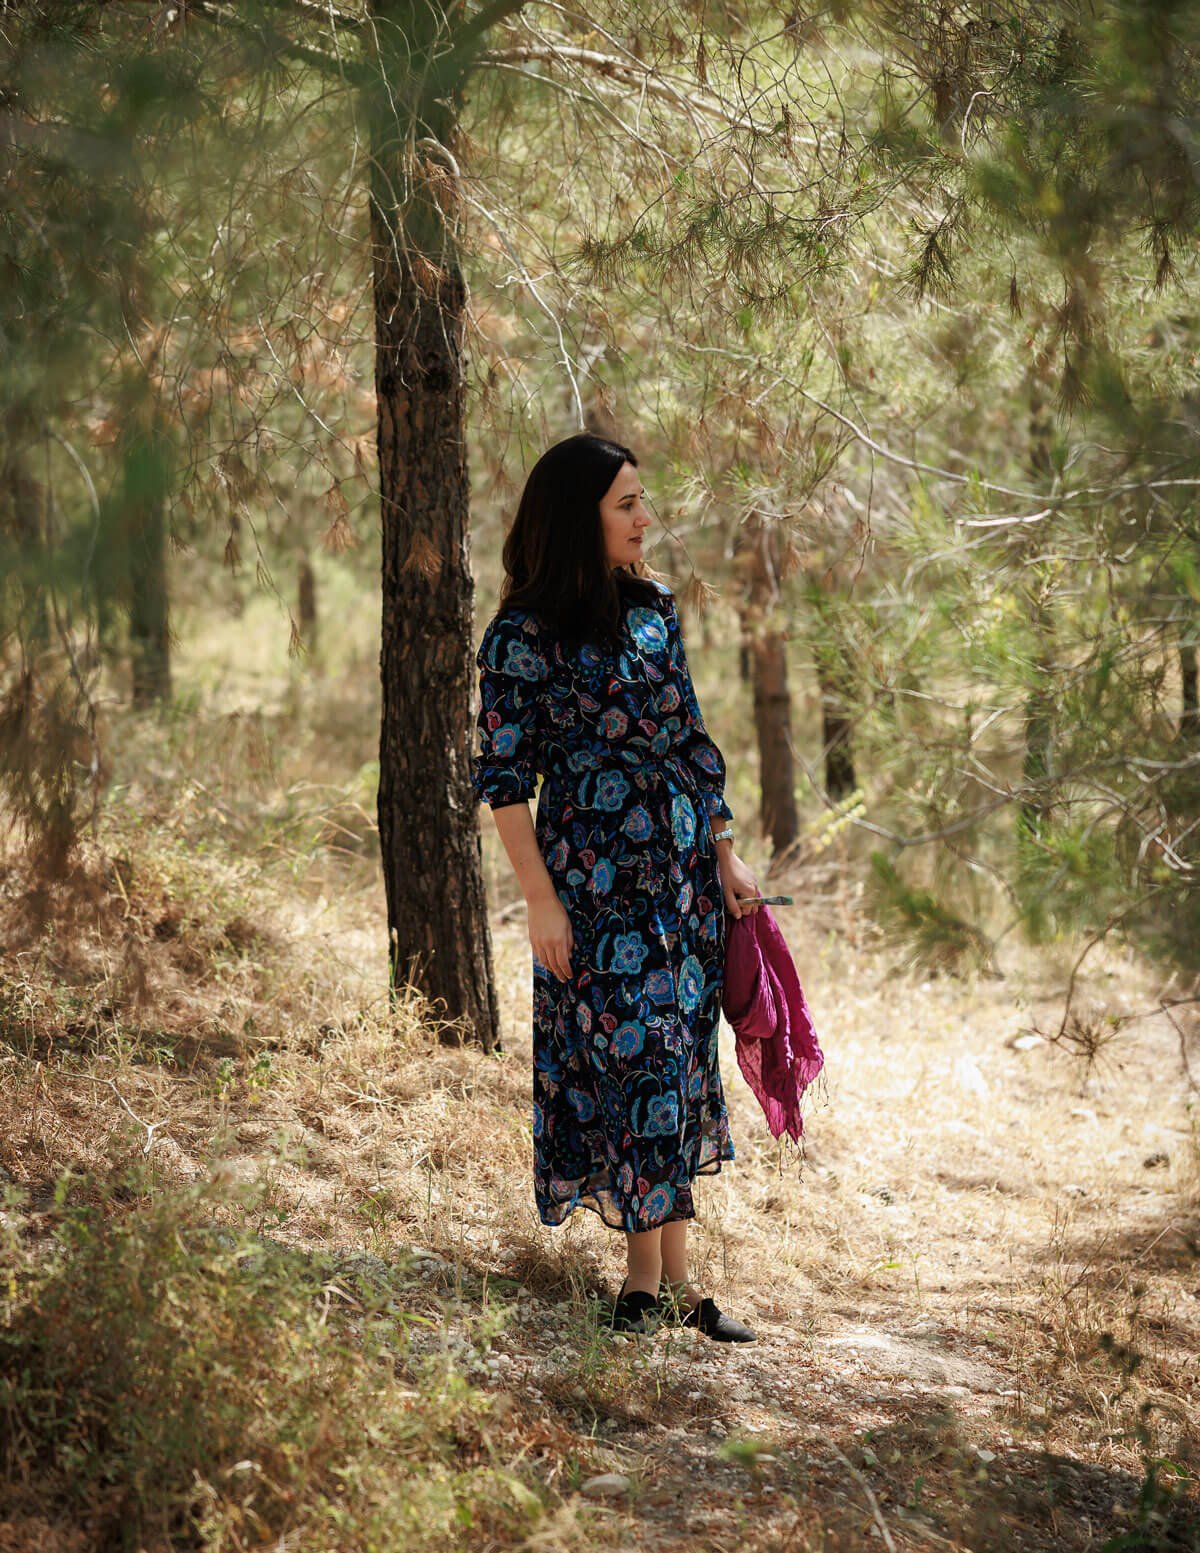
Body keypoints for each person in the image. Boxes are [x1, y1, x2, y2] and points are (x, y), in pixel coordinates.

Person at [470, 432, 761, 1343]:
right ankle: (642, 1282)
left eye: (642, 499)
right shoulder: (519, 636)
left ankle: (676, 1280)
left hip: (676, 875)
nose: (646, 517)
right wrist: (538, 899)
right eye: (626, 504)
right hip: (590, 883)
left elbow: (689, 734)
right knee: (630, 1059)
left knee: (675, 1059)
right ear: (578, 518)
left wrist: (724, 848)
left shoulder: (654, 609)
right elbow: (504, 780)